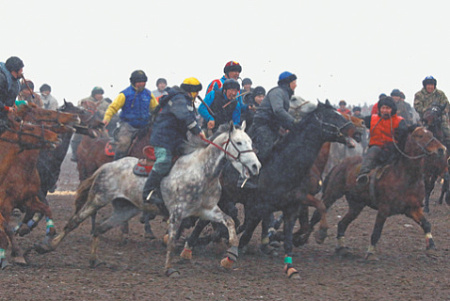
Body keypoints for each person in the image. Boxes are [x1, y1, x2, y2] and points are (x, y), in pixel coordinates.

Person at [142, 77, 206, 206]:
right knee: (164, 161)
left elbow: (191, 117)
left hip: (177, 139)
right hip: (163, 138)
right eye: (196, 91)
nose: (198, 94)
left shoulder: (187, 101)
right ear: (191, 90)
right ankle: (147, 192)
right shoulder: (178, 99)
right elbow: (184, 116)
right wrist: (198, 131)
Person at [103, 70, 158, 160]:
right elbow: (112, 108)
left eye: (143, 82)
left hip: (146, 125)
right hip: (128, 126)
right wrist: (106, 118)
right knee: (123, 143)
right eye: (139, 82)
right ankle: (117, 163)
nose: (141, 84)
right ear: (133, 82)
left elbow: (155, 109)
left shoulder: (148, 94)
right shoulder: (124, 94)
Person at [356, 96, 408, 185]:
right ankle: (363, 175)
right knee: (372, 152)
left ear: (392, 109)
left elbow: (403, 138)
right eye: (383, 108)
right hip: (376, 147)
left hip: (393, 149)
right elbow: (358, 122)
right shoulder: (372, 119)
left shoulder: (399, 121)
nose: (385, 110)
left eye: (387, 108)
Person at [70, 86, 111, 162]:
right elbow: (79, 110)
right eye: (98, 94)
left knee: (107, 137)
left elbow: (107, 114)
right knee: (76, 138)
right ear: (94, 94)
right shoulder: (84, 101)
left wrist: (98, 110)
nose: (100, 95)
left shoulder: (105, 104)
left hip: (98, 125)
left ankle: (107, 156)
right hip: (85, 125)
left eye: (101, 94)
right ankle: (74, 154)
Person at [414, 76, 450, 146]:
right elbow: (417, 106)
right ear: (425, 85)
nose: (430, 87)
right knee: (419, 134)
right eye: (428, 85)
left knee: (446, 130)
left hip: (440, 118)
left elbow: (446, 105)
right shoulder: (419, 95)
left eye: (432, 85)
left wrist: (440, 111)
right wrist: (428, 110)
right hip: (425, 119)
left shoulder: (440, 94)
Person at [0, 56, 24, 122]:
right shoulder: (2, 79)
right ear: (14, 70)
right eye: (20, 69)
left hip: (6, 114)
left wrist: (13, 104)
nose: (22, 71)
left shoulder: (15, 81)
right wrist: (6, 108)